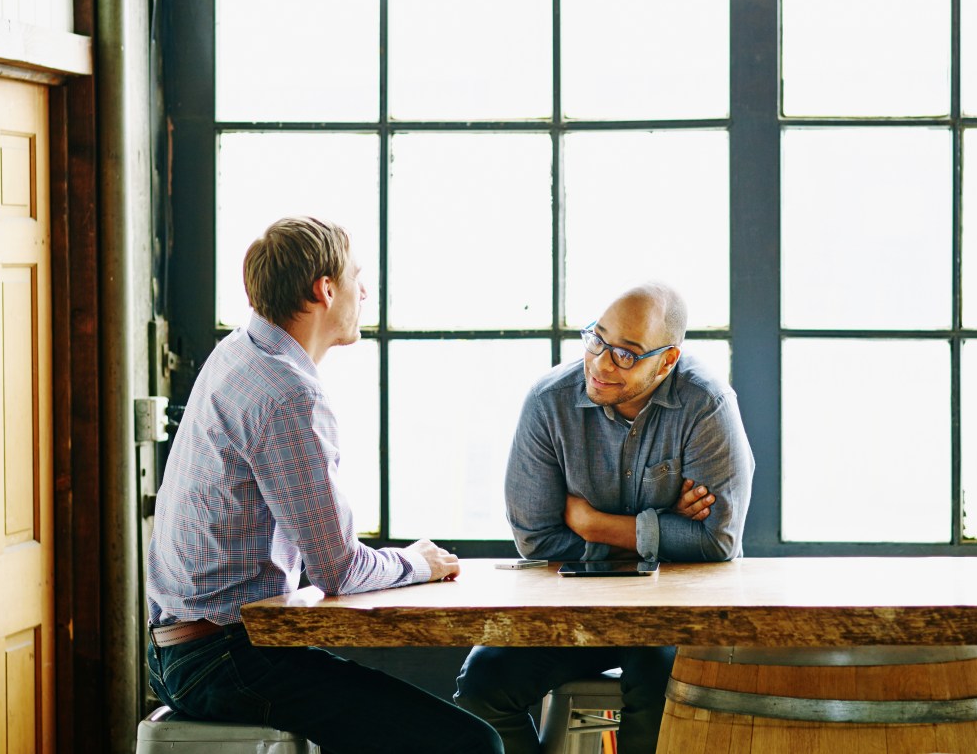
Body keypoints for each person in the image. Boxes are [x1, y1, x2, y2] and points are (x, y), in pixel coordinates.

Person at [146, 216, 502, 754]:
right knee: (473, 746)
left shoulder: (238, 351)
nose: (365, 291)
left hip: (177, 651)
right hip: (228, 660)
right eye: (357, 276)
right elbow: (338, 569)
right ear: (325, 289)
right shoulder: (287, 392)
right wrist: (420, 562)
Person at [454, 282, 755, 754]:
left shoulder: (706, 405)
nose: (600, 363)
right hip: (572, 606)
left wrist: (594, 525)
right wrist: (660, 527)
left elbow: (717, 543)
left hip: (671, 615)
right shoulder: (548, 401)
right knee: (482, 684)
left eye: (627, 355)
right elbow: (536, 539)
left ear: (668, 360)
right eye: (597, 338)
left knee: (664, 686)